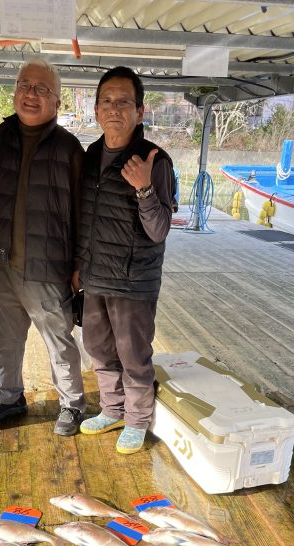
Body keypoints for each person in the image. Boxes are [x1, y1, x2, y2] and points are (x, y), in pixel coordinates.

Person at [0, 59, 86, 436]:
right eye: (24, 85)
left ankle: (72, 404)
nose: (31, 94)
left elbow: (83, 211)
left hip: (48, 268)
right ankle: (9, 397)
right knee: (4, 342)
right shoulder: (1, 135)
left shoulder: (69, 148)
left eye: (42, 89)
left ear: (57, 102)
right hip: (3, 264)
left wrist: (79, 264)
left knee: (59, 342)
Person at [77, 67, 176, 454]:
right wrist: (79, 267)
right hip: (96, 276)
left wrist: (145, 189)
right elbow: (85, 217)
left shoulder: (155, 160)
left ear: (140, 111)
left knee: (133, 354)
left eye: (123, 101)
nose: (114, 108)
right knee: (99, 348)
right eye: (106, 101)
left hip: (134, 281)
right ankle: (112, 409)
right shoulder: (91, 155)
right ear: (96, 110)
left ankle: (136, 419)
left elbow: (160, 230)